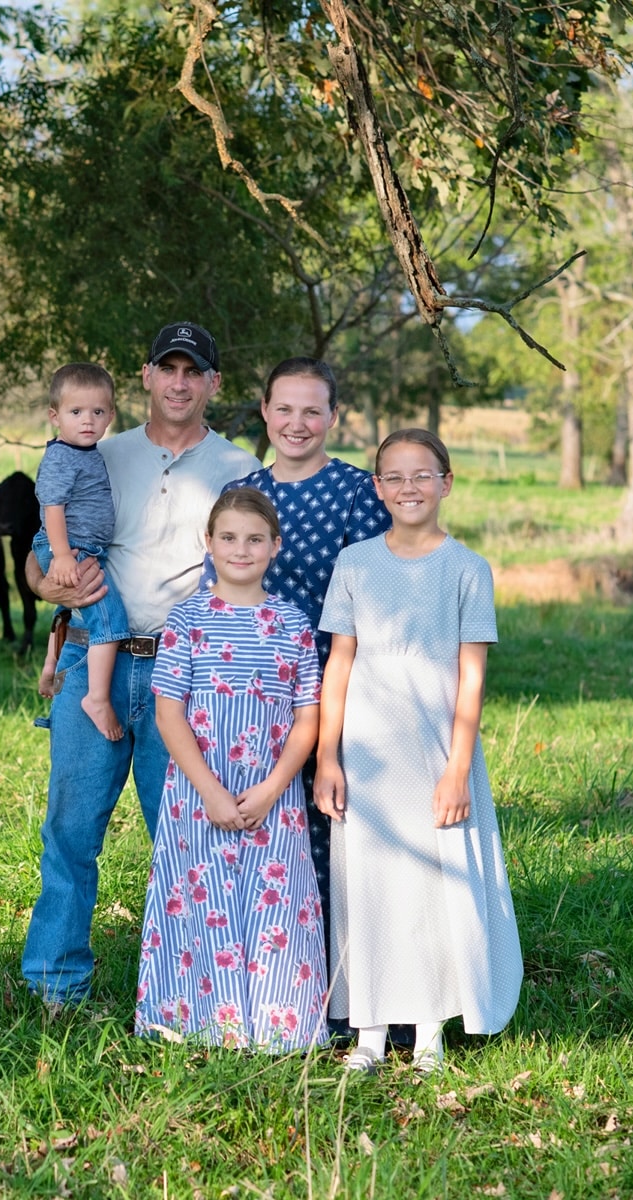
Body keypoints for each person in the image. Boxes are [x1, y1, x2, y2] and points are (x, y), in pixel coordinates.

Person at [21, 323, 260, 1008]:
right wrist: (47, 587)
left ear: (214, 384)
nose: (180, 382)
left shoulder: (237, 468)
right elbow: (41, 551)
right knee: (71, 830)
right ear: (147, 377)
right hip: (90, 657)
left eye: (195, 371)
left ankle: (190, 988)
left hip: (181, 674)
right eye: (168, 368)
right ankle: (54, 986)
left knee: (183, 835)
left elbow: (245, 572)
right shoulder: (98, 449)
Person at [312, 428, 523, 1075]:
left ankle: (428, 1033)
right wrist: (327, 756)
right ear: (377, 488)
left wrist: (458, 768)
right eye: (395, 477)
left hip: (435, 755)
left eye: (422, 475)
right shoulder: (355, 564)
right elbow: (339, 666)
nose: (409, 488)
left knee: (432, 887)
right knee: (368, 887)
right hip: (367, 756)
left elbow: (472, 677)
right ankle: (370, 1033)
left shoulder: (466, 568)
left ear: (446, 483)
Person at [213, 358, 388, 996]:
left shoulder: (357, 492)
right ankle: (276, 988)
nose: (297, 423)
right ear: (264, 411)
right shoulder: (247, 494)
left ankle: (354, 994)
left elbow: (375, 596)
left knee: (338, 840)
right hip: (255, 700)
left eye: (312, 410)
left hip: (341, 688)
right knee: (271, 842)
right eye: (284, 409)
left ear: (334, 418)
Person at [135, 488, 327, 1051]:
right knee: (202, 897)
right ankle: (199, 1021)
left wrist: (271, 788)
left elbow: (307, 719)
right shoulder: (188, 619)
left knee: (276, 904)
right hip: (201, 788)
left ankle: (274, 1027)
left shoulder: (291, 623)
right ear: (209, 545)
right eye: (228, 538)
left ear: (275, 546)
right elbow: (169, 714)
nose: (240, 550)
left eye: (253, 539)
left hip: (272, 790)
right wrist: (211, 792)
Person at [33, 363, 132, 741]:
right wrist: (60, 556)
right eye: (76, 412)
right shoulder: (62, 456)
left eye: (97, 412)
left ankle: (49, 665)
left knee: (70, 611)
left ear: (111, 415)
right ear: (55, 416)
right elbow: (53, 507)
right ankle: (96, 697)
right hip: (68, 549)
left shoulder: (86, 451)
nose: (87, 421)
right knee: (108, 620)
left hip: (81, 549)